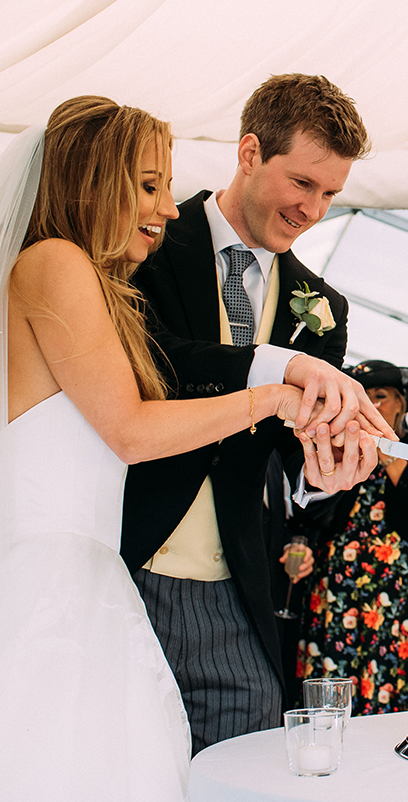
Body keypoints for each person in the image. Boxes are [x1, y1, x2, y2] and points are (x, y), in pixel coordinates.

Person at [0, 102, 341, 802]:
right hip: (46, 584)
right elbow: (128, 430)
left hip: (84, 577)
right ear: (95, 180)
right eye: (150, 185)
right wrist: (272, 397)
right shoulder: (54, 263)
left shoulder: (91, 280)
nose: (167, 208)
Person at [121, 73, 388, 754]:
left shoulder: (324, 305)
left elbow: (294, 453)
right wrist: (277, 365)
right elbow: (155, 360)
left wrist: (327, 470)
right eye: (303, 183)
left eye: (331, 193)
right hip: (125, 559)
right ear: (248, 153)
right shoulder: (147, 245)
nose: (314, 209)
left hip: (236, 586)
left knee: (238, 776)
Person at [299, 361, 408, 713]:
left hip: (404, 598)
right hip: (342, 594)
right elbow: (312, 511)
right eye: (363, 398)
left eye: (379, 397)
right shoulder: (339, 450)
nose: (371, 407)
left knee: (401, 681)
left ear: (400, 401)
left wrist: (385, 447)